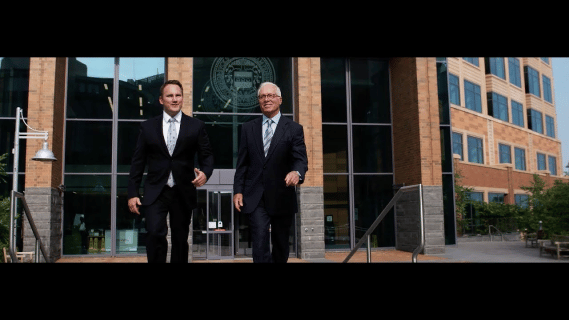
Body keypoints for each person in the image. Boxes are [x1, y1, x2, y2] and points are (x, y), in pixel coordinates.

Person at [128, 80, 214, 263]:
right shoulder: (148, 127)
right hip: (155, 191)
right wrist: (132, 193)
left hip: (183, 190)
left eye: (178, 95)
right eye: (170, 96)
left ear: (182, 98)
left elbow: (207, 156)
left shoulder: (196, 126)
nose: (174, 99)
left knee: (180, 239)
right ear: (161, 100)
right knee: (154, 233)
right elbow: (138, 162)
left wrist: (205, 173)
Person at [233, 82, 308, 263]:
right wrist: (238, 190)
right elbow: (242, 164)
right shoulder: (248, 128)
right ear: (259, 101)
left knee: (281, 244)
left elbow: (300, 159)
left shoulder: (294, 129)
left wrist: (296, 173)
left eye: (271, 96)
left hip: (282, 194)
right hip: (255, 196)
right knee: (259, 242)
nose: (266, 99)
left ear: (280, 100)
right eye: (262, 96)